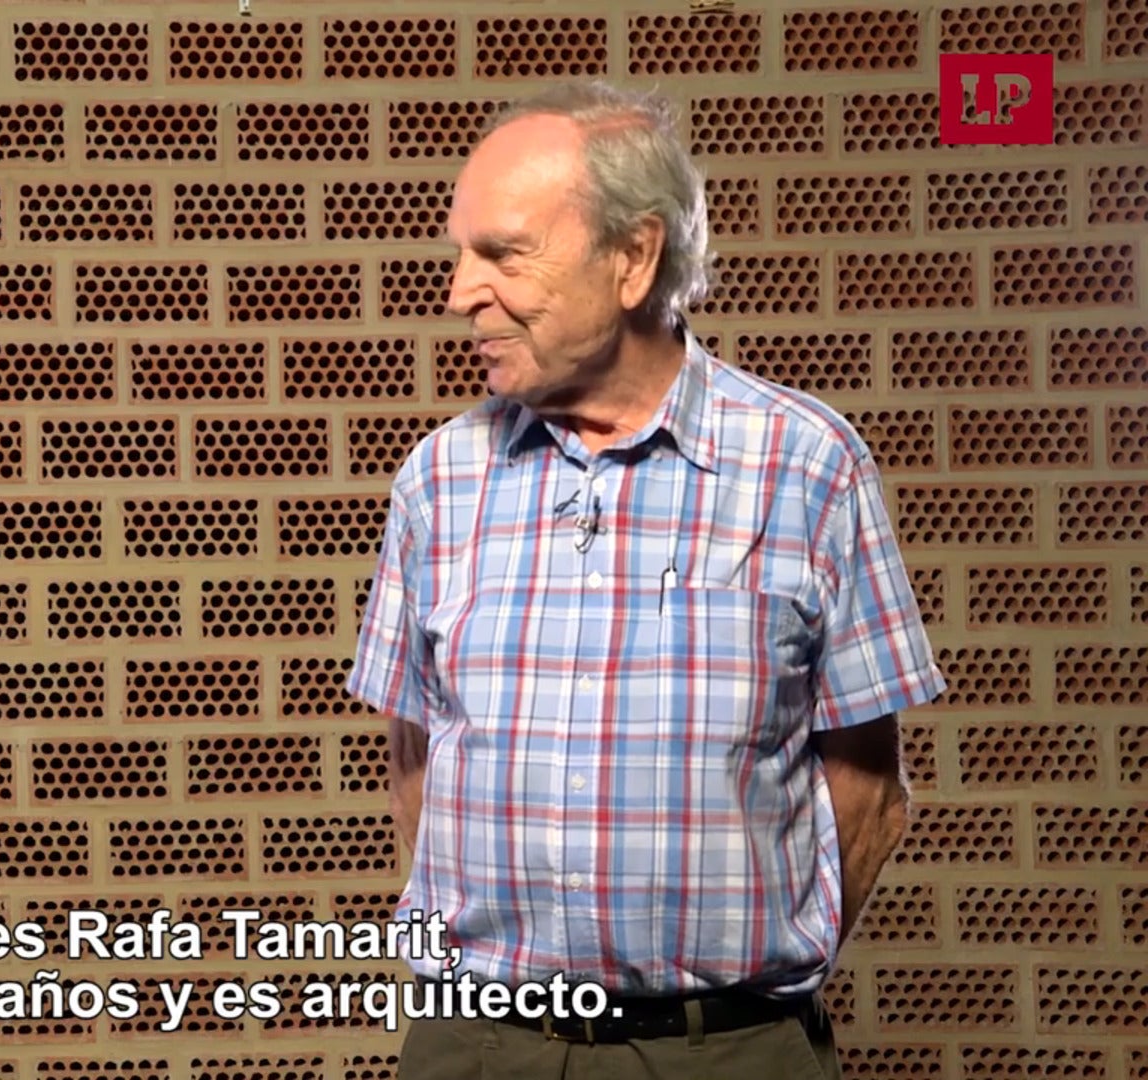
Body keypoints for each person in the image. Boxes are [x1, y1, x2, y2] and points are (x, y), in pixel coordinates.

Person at [346, 80, 946, 1079]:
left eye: (503, 254)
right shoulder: (438, 482)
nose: (459, 292)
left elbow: (869, 789)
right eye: (461, 253)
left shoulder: (810, 468)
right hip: (479, 1049)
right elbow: (416, 762)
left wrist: (740, 998)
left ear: (633, 257)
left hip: (731, 1054)